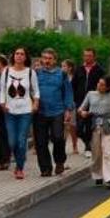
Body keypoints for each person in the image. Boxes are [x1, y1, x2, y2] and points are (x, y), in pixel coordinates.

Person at [0, 48, 39, 179]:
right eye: (17, 53)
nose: (19, 56)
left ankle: (20, 167)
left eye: (22, 54)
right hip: (10, 111)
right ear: (13, 56)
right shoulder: (6, 71)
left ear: (26, 57)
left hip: (25, 111)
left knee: (21, 141)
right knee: (12, 142)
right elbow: (2, 90)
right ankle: (19, 160)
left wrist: (35, 103)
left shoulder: (30, 72)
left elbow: (36, 90)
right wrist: (2, 103)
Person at [34, 48, 74, 176]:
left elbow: (68, 92)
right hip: (40, 112)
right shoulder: (36, 73)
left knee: (57, 137)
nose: (47, 61)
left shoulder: (61, 74)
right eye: (44, 58)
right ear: (41, 59)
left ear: (55, 60)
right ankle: (45, 168)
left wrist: (68, 109)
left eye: (50, 58)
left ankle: (60, 161)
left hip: (57, 110)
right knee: (41, 141)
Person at [79, 76, 110, 188]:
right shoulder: (91, 94)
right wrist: (83, 112)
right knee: (96, 153)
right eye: (98, 83)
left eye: (102, 84)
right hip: (94, 125)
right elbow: (81, 108)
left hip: (107, 125)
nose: (99, 86)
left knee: (108, 152)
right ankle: (98, 175)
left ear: (108, 87)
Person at [72, 49, 106, 156]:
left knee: (89, 126)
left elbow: (104, 86)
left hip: (94, 102)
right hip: (80, 102)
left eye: (89, 56)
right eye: (85, 55)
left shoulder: (99, 70)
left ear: (94, 57)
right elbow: (73, 85)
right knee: (78, 128)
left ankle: (88, 148)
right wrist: (72, 99)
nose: (87, 58)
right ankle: (88, 143)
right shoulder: (79, 69)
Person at [61, 59, 80, 155]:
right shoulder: (59, 77)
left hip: (72, 104)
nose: (62, 68)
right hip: (61, 105)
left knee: (72, 126)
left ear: (70, 68)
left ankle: (74, 145)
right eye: (61, 66)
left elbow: (77, 90)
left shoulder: (74, 78)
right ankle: (62, 147)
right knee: (64, 127)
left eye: (64, 66)